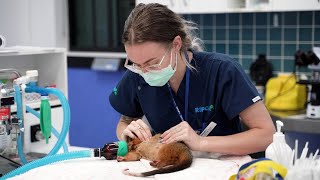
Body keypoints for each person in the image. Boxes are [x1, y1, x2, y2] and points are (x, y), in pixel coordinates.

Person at [109, 3, 275, 155]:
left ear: (176, 44)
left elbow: (266, 135)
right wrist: (126, 132)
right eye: (136, 64)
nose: (144, 71)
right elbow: (124, 122)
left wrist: (201, 142)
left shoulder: (222, 70)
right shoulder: (137, 74)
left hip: (222, 167)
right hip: (170, 167)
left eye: (152, 63)